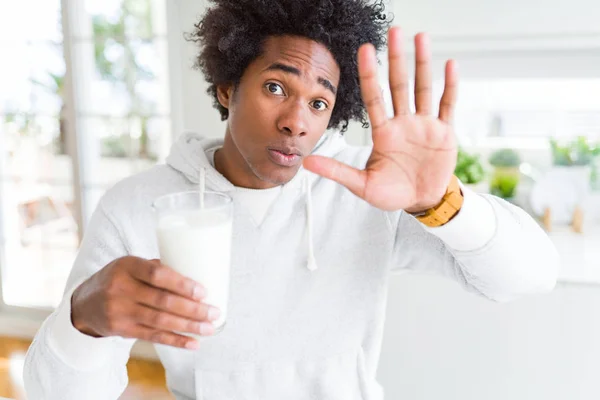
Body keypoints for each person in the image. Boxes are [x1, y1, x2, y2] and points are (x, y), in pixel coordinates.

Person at [23, 0, 559, 399]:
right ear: (228, 87)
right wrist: (83, 321)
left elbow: (530, 276)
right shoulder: (140, 204)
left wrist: (441, 202)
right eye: (277, 87)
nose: (296, 122)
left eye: (320, 101)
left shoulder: (365, 188)